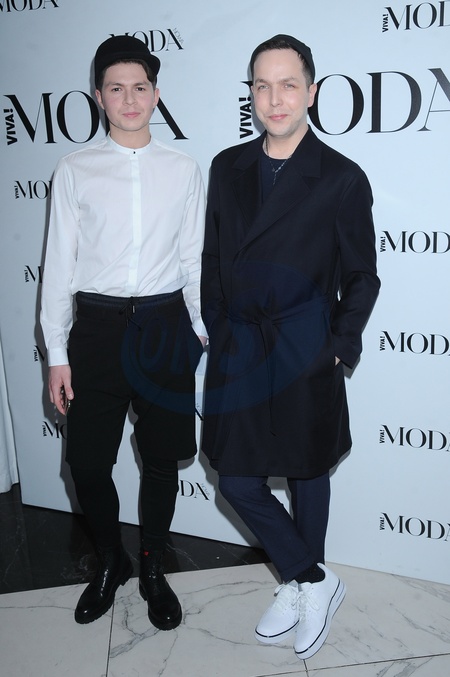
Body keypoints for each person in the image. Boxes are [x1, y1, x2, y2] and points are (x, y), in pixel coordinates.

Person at [201, 34, 380, 659]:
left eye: (287, 84)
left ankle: (304, 586)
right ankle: (313, 576)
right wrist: (219, 327)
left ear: (311, 91)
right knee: (238, 481)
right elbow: (214, 256)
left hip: (304, 346)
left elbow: (362, 276)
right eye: (262, 85)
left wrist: (336, 347)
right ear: (250, 94)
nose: (274, 99)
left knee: (307, 472)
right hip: (241, 348)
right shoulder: (227, 167)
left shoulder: (341, 177)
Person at [40, 35, 206, 630]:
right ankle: (112, 561)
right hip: (95, 331)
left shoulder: (183, 169)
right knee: (86, 465)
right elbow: (59, 266)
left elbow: (193, 260)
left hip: (165, 327)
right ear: (99, 96)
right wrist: (56, 353)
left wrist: (200, 334)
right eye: (117, 88)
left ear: (156, 96)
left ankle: (154, 566)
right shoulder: (74, 169)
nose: (130, 99)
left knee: (161, 462)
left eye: (140, 88)